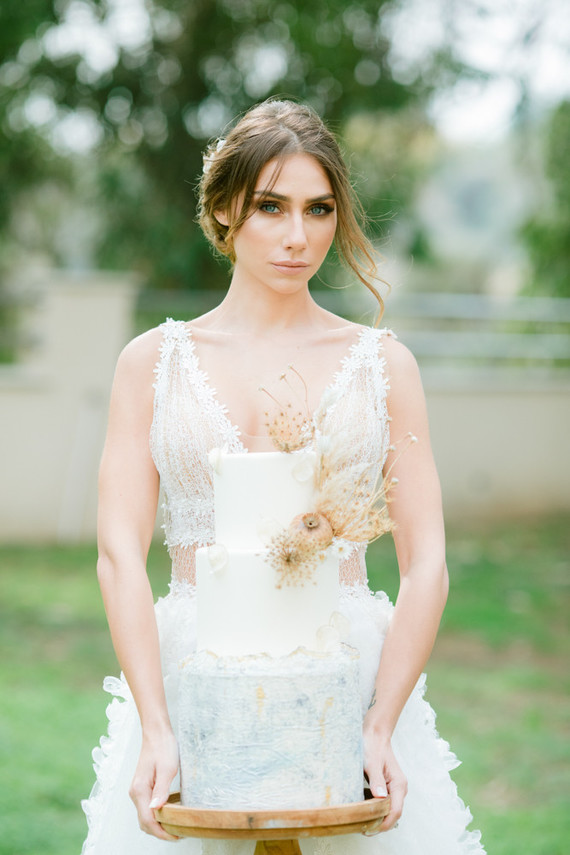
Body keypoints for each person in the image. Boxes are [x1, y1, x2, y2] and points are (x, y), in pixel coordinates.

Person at [81, 99, 485, 854]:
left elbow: (427, 561)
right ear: (226, 208)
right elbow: (117, 555)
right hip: (193, 675)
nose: (300, 236)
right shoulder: (150, 365)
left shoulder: (384, 366)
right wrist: (158, 722)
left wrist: (380, 721)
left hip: (349, 678)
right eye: (272, 206)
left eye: (319, 208)